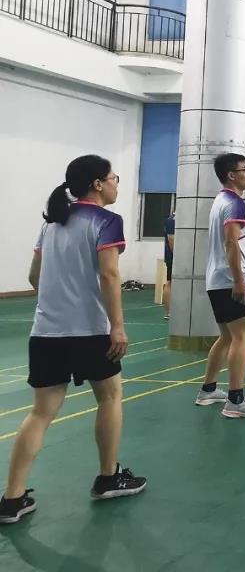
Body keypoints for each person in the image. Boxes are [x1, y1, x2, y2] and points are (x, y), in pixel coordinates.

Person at [1, 155, 147, 525]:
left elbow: (35, 277)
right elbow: (110, 275)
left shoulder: (51, 223)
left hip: (46, 334)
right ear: (98, 184)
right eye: (114, 178)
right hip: (91, 333)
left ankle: (12, 498)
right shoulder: (107, 221)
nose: (116, 183)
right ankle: (108, 477)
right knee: (110, 397)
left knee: (40, 413)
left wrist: (57, 304)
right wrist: (117, 326)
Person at [196, 153, 245, 418]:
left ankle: (208, 390)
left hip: (217, 280)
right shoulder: (235, 204)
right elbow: (231, 243)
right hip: (230, 281)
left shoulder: (220, 201)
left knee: (227, 337)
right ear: (231, 175)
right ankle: (235, 400)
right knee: (242, 336)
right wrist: (240, 281)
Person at [163, 210, 175, 320]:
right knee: (170, 282)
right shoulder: (172, 220)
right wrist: (177, 256)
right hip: (173, 258)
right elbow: (171, 239)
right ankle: (169, 312)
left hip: (175, 258)